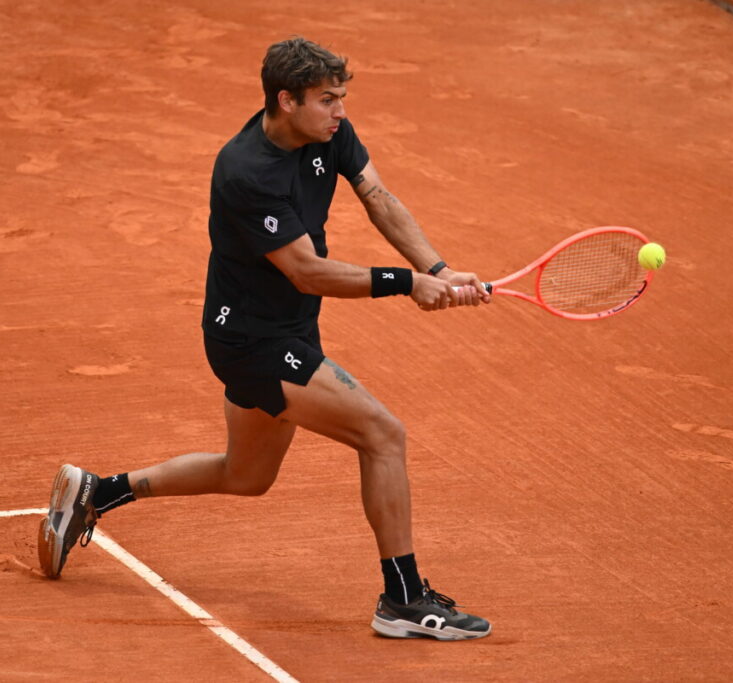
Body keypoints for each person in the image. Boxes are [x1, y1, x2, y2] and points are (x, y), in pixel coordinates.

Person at [38, 36, 492, 641]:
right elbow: (306, 272)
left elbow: (378, 197)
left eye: (341, 98)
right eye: (327, 99)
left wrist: (437, 269)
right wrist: (406, 283)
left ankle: (99, 492)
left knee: (245, 475)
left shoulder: (328, 132)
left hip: (290, 327)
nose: (340, 111)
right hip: (252, 340)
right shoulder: (246, 172)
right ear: (286, 100)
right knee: (383, 434)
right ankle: (403, 599)